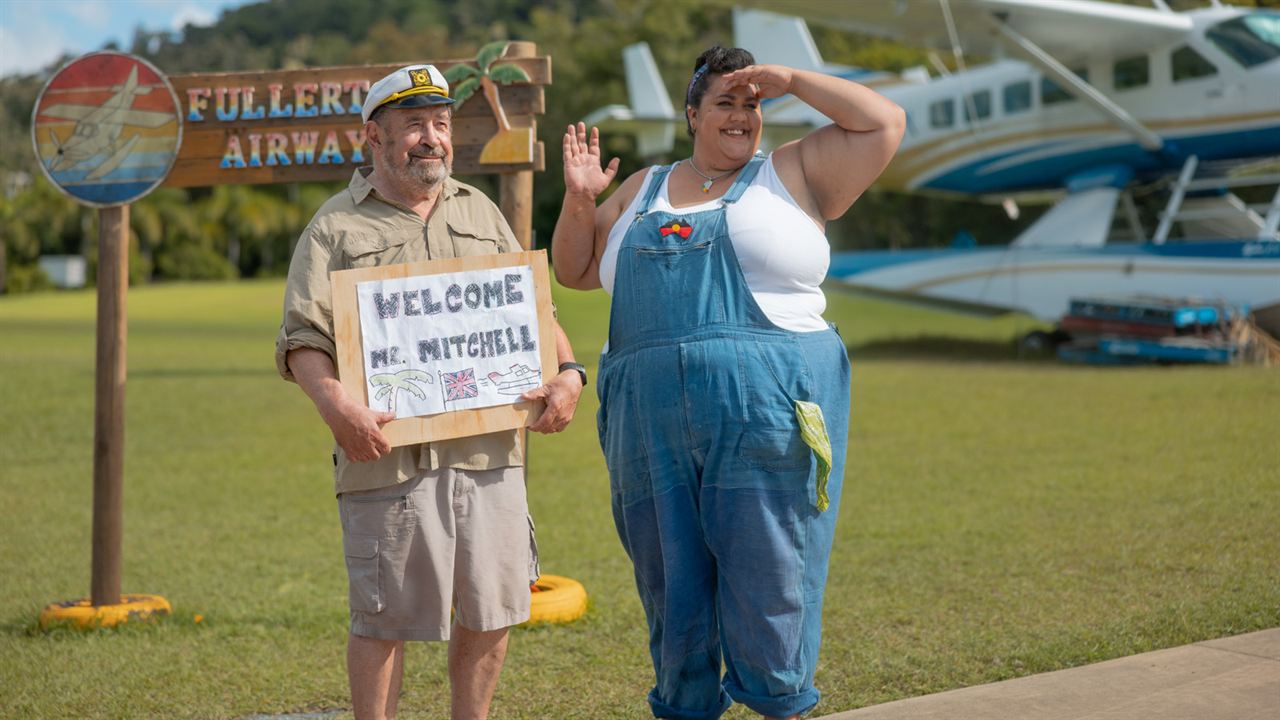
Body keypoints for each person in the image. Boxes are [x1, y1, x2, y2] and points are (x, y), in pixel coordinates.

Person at [551, 46, 904, 720]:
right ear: (692, 114)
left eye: (753, 104)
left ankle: (780, 704)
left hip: (766, 414)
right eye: (725, 102)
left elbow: (882, 123)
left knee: (771, 576)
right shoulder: (642, 188)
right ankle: (685, 706)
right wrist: (578, 199)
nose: (742, 116)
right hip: (648, 425)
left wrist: (795, 80)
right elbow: (575, 269)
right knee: (670, 584)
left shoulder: (793, 171)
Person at [276, 64, 586, 720]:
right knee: (385, 620)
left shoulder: (481, 210)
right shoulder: (334, 229)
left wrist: (569, 374)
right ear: (374, 137)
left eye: (440, 124)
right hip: (386, 455)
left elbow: (533, 311)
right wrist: (338, 409)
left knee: (492, 609)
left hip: (489, 457)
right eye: (413, 124)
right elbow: (303, 341)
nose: (431, 138)